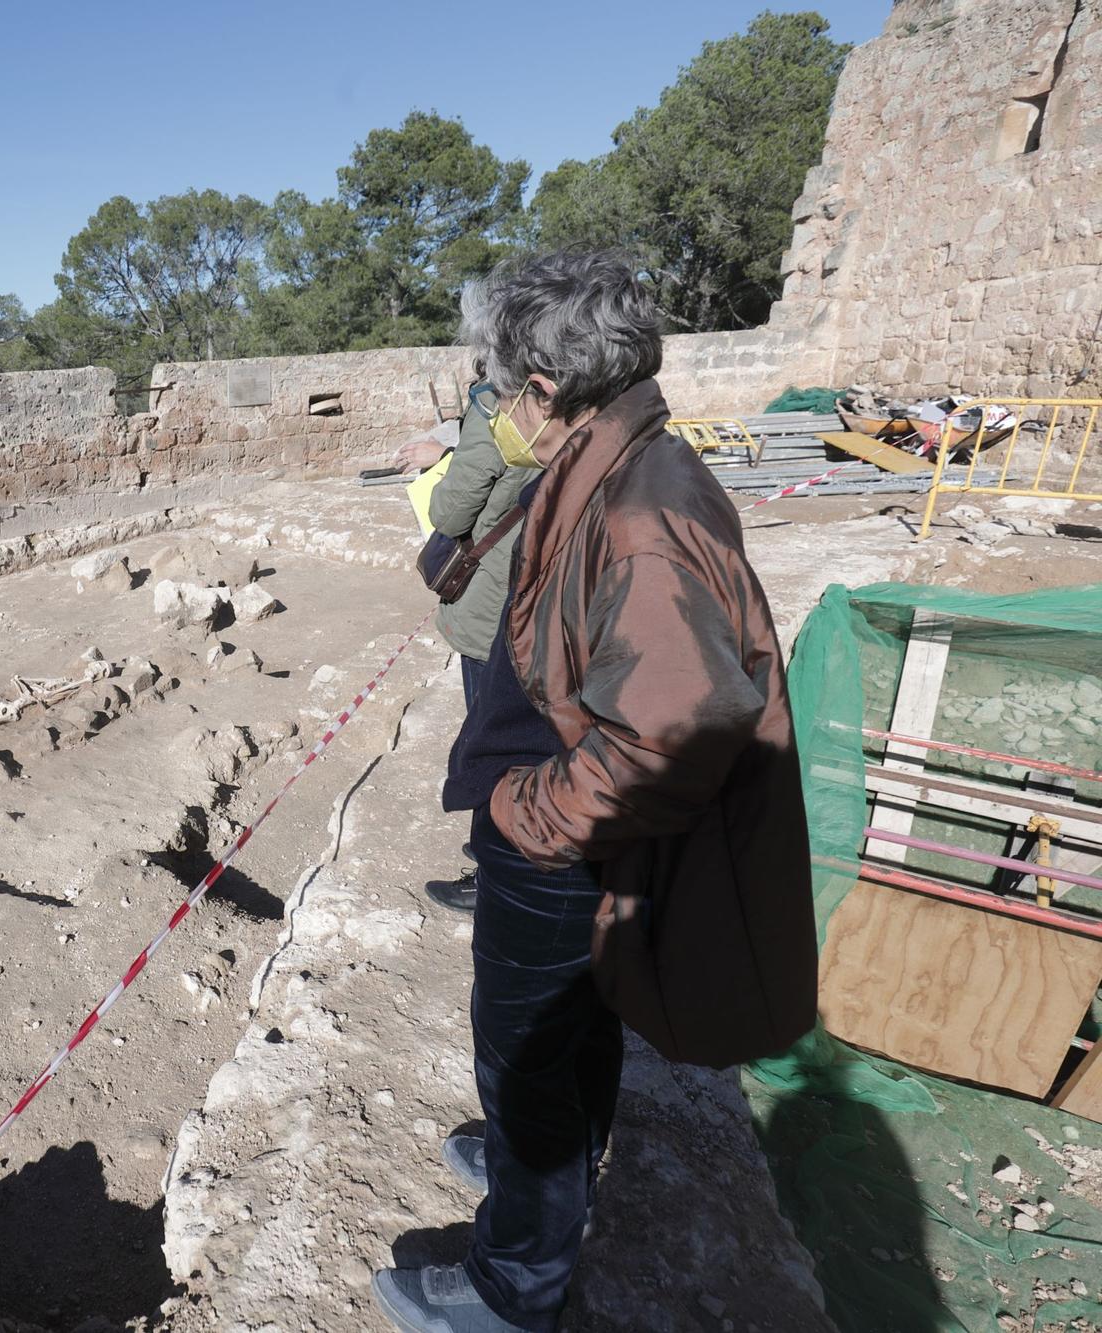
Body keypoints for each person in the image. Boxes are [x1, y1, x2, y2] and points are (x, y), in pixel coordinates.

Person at [372, 251, 815, 1333]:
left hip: (561, 837)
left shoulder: (636, 511)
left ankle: (511, 1285)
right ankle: (551, 1160)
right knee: (571, 1027)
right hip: (570, 822)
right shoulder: (617, 466)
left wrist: (527, 812)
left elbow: (673, 731)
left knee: (524, 1046)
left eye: (503, 378)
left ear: (540, 384)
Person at [392, 368, 531, 913]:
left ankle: (494, 871)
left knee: (493, 738)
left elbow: (450, 511)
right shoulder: (595, 398)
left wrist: (444, 462)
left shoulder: (500, 406)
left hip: (496, 599)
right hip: (548, 590)